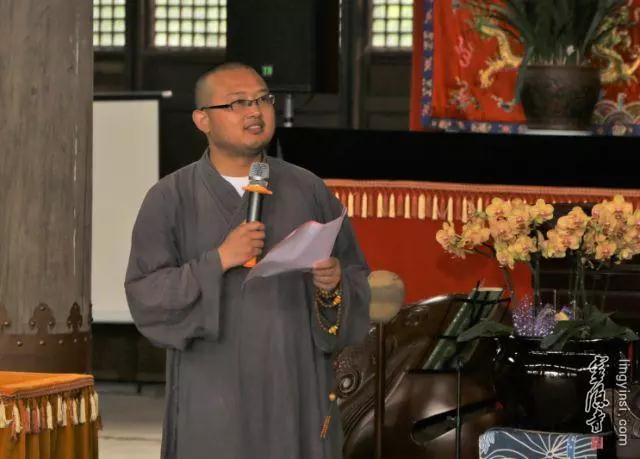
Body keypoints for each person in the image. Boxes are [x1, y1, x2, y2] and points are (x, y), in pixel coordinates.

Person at [124, 62, 371, 459]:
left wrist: (334, 286)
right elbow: (145, 293)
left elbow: (357, 277)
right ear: (202, 120)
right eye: (238, 103)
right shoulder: (170, 197)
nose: (255, 112)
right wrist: (219, 260)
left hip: (294, 384)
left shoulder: (307, 188)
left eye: (262, 100)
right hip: (213, 389)